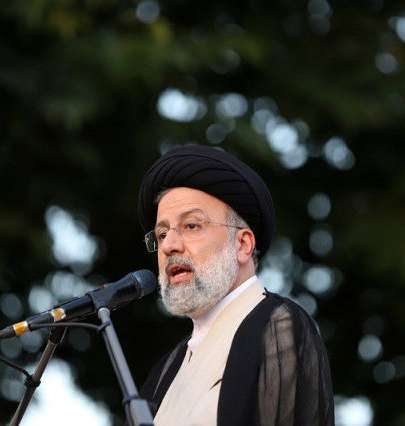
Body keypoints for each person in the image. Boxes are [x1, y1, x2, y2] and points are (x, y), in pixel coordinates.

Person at [137, 145, 334, 425]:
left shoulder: (277, 326)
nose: (168, 245)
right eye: (162, 233)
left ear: (242, 244)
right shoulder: (164, 372)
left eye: (191, 226)